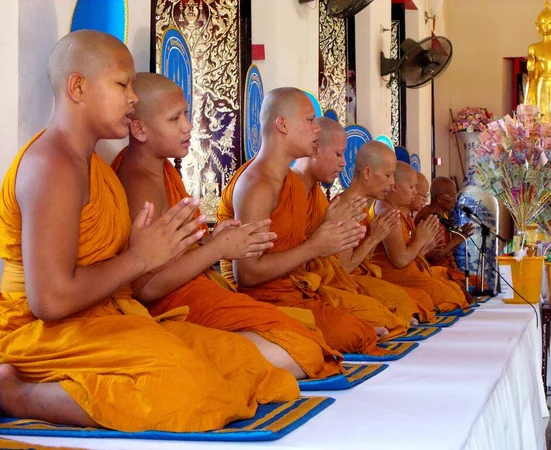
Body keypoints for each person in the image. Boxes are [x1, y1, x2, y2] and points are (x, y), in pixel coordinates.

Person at [0, 30, 298, 432]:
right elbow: (50, 301)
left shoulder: (92, 167)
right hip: (43, 331)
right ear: (78, 87)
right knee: (190, 392)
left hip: (102, 315)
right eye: (122, 84)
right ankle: (17, 393)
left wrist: (172, 250)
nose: (132, 97)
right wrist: (140, 258)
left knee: (243, 366)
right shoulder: (51, 165)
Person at [113, 73, 341, 380]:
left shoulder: (161, 170)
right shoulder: (139, 182)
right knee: (302, 349)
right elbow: (146, 287)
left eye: (186, 115)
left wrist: (209, 245)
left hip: (197, 293)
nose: (188, 126)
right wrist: (217, 249)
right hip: (171, 308)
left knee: (306, 339)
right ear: (139, 129)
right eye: (174, 118)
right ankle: (181, 364)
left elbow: (169, 257)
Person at [217, 88, 409, 354]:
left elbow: (304, 258)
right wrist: (316, 244)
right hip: (260, 299)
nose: (316, 130)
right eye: (309, 121)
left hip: (296, 291)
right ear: (282, 124)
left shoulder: (291, 185)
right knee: (350, 335)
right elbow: (247, 274)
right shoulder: (257, 185)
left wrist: (321, 240)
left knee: (368, 325)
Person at [293, 122, 436, 324]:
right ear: (368, 173)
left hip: (352, 281)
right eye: (388, 176)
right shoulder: (346, 207)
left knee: (410, 300)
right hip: (330, 284)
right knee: (401, 303)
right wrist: (373, 238)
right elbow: (343, 268)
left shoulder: (358, 207)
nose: (392, 184)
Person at [372, 163, 470, 312]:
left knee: (453, 290)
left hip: (409, 273)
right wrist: (420, 241)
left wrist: (424, 246)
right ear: (395, 186)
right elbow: (400, 261)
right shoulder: (388, 212)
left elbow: (410, 255)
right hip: (392, 276)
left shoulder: (399, 213)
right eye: (412, 187)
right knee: (450, 295)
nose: (415, 193)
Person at [415, 176, 476, 290]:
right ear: (439, 197)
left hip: (447, 270)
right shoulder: (429, 217)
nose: (455, 200)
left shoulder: (443, 215)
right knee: (463, 287)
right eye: (452, 195)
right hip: (434, 271)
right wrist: (456, 241)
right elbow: (432, 257)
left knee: (476, 282)